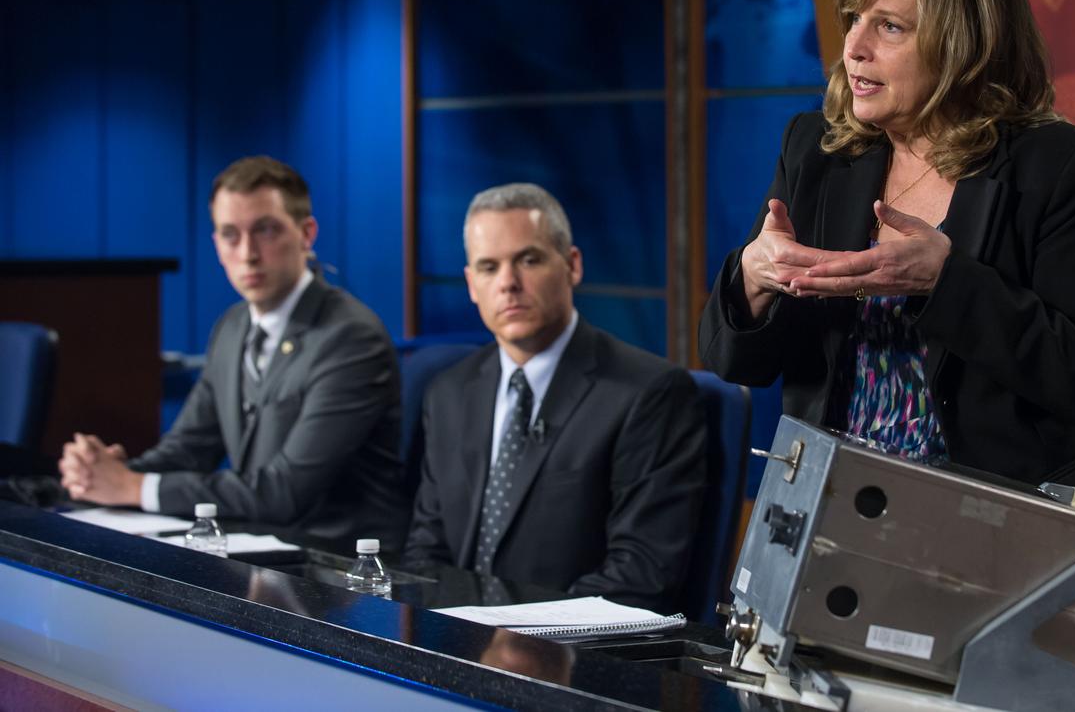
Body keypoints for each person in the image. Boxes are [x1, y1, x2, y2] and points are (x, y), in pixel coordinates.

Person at [699, 0, 1075, 698]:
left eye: (889, 27)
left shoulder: (1058, 168)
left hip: (1009, 561)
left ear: (964, 44)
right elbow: (736, 360)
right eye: (853, 18)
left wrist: (946, 283)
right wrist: (753, 278)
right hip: (840, 540)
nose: (853, 48)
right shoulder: (819, 150)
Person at [58, 156, 406, 548]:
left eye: (266, 230)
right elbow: (187, 451)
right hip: (261, 551)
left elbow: (283, 492)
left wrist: (132, 486)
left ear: (306, 234)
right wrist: (99, 474)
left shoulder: (351, 337)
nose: (248, 253)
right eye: (230, 235)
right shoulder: (232, 327)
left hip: (343, 567)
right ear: (216, 245)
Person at [404, 183, 706, 612]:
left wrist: (515, 636)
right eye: (489, 267)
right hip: (458, 641)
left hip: (569, 648)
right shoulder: (448, 392)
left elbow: (639, 575)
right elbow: (425, 554)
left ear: (572, 265)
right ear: (471, 284)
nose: (508, 284)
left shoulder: (649, 393)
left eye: (528, 260)